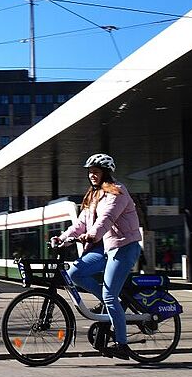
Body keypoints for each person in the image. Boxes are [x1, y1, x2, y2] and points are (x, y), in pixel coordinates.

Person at [51, 153, 143, 359]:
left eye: (96, 171)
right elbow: (80, 224)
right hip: (104, 248)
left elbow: (107, 218)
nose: (92, 175)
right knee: (74, 273)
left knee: (111, 296)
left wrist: (92, 235)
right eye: (90, 172)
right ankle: (108, 304)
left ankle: (122, 343)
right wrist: (62, 237)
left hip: (124, 247)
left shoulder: (117, 192)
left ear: (106, 173)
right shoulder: (92, 196)